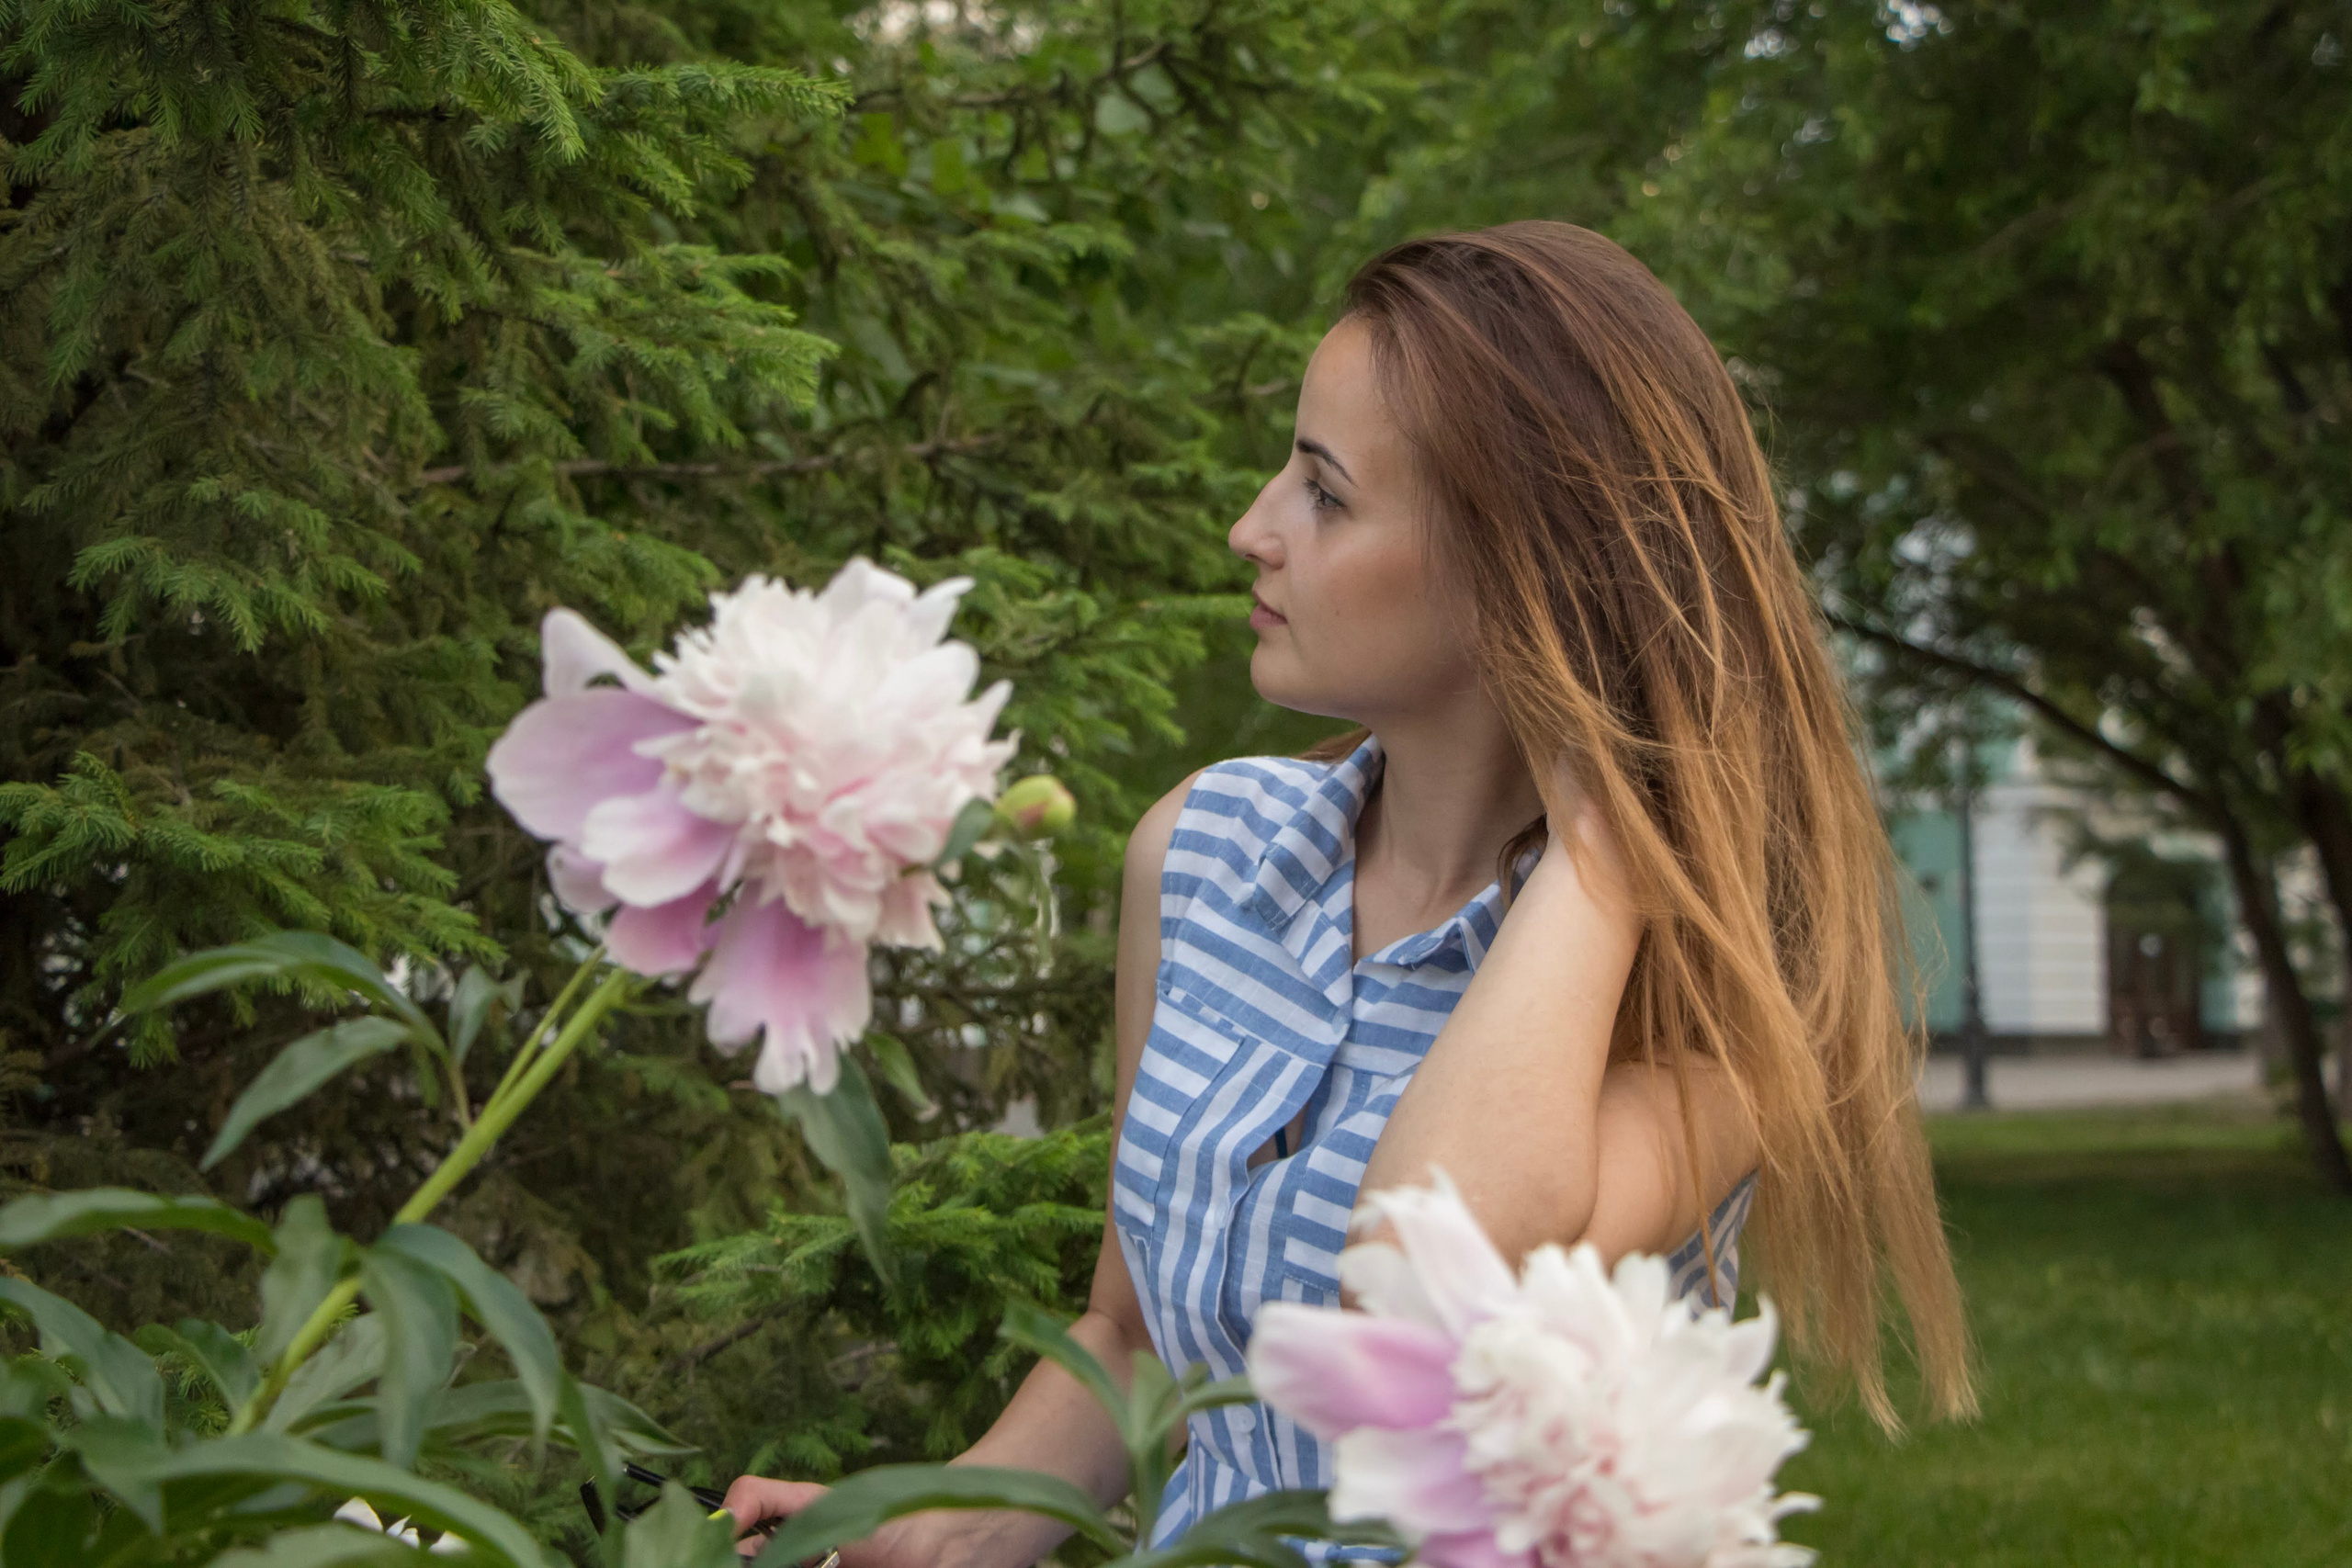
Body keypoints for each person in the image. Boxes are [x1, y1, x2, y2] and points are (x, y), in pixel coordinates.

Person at [723, 220, 1976, 1562]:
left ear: (1522, 575)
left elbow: (1429, 1278)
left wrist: (1610, 843)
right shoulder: (1198, 857)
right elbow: (1143, 1337)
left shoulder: (1710, 1000)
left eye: (1324, 492)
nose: (1251, 527)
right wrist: (911, 1536)